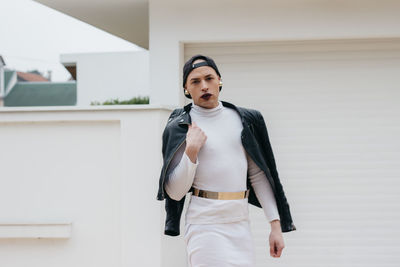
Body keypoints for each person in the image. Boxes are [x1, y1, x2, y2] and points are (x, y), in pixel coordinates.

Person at [156, 54, 296, 266]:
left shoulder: (245, 119)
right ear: (186, 89)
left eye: (209, 78)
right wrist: (191, 151)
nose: (204, 86)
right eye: (195, 81)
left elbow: (259, 174)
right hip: (205, 225)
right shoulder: (181, 126)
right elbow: (174, 192)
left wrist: (275, 226)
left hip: (240, 223)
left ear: (219, 80)